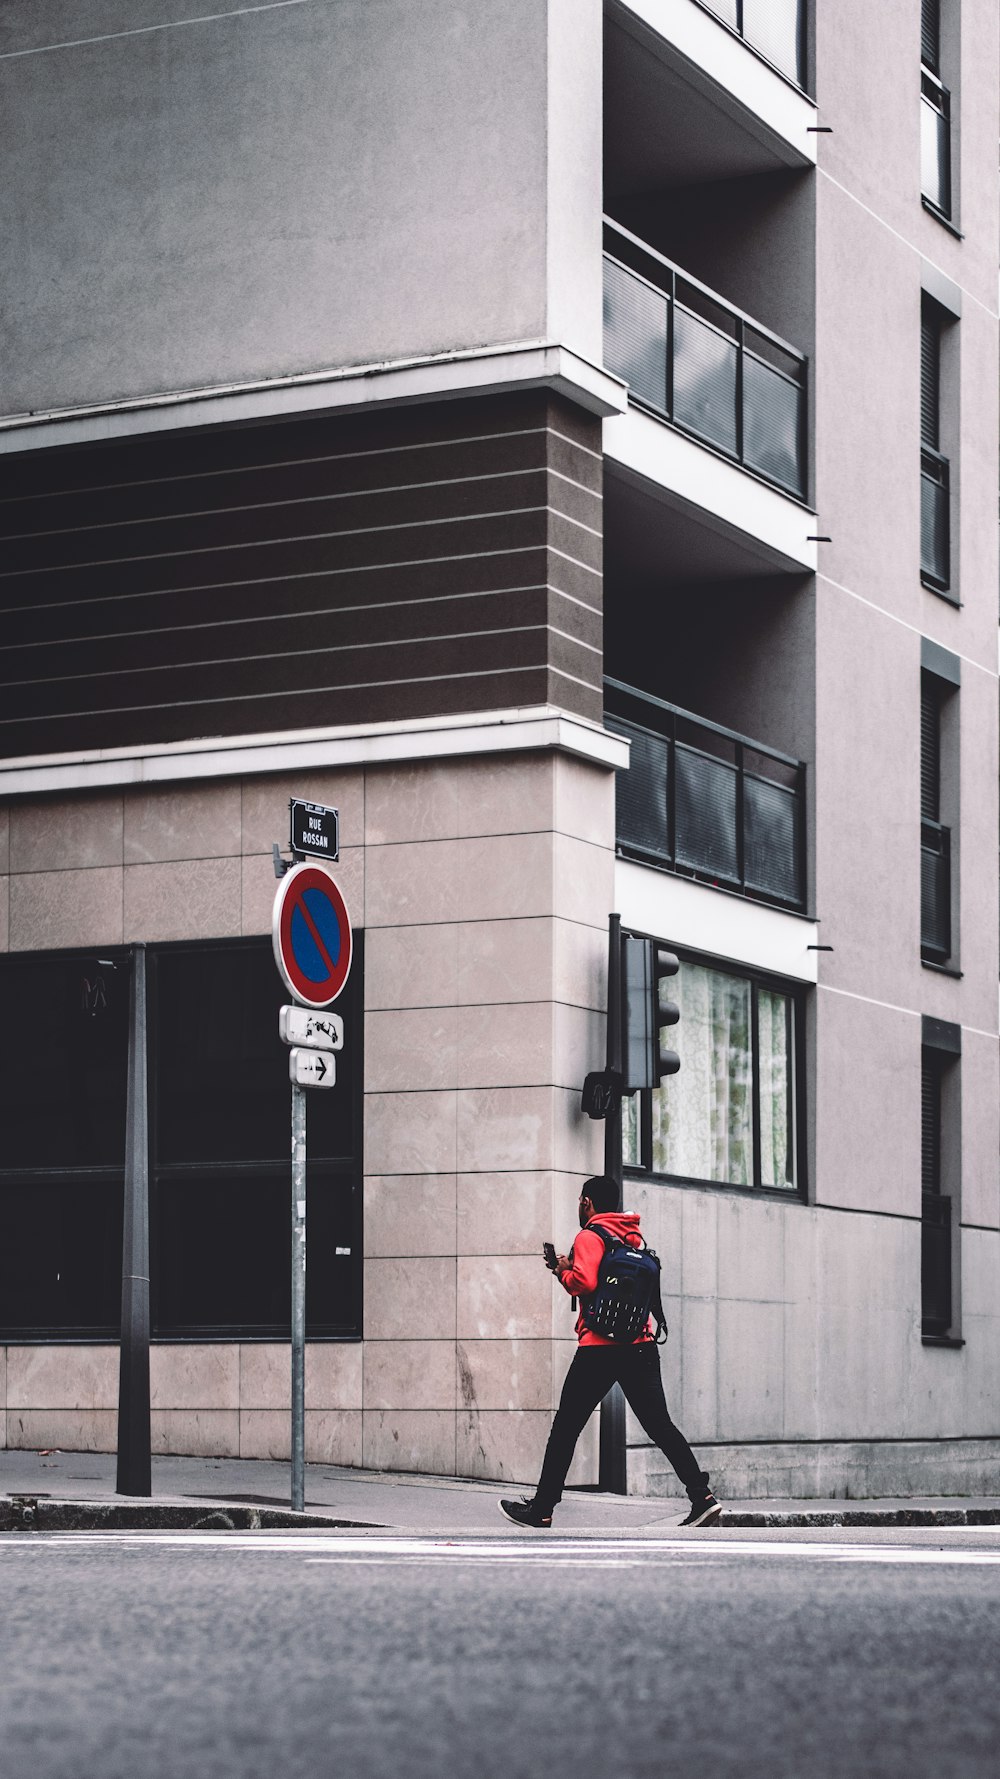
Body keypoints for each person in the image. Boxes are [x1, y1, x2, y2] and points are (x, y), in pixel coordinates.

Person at [500, 1174, 721, 1529]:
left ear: (587, 1202)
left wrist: (562, 1272)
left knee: (566, 1427)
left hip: (599, 1349)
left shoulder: (589, 1235)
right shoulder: (631, 1237)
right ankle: (702, 1497)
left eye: (579, 1201)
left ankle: (542, 1509)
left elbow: (585, 1282)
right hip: (641, 1346)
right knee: (660, 1425)